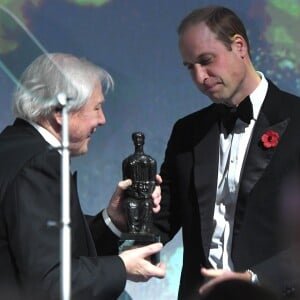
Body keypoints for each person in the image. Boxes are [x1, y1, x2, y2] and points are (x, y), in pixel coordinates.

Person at [151, 5, 300, 299]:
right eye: (189, 67)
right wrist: (122, 220)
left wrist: (254, 279)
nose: (199, 77)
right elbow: (160, 222)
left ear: (239, 46)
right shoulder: (187, 131)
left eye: (206, 61)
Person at [0, 53, 166, 300]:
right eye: (97, 107)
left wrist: (112, 220)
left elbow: (49, 246)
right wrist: (122, 267)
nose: (102, 119)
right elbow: (52, 282)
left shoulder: (13, 147)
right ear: (60, 111)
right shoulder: (39, 164)